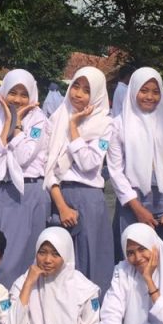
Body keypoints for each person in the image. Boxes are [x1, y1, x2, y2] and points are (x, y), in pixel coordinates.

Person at [106, 67, 163, 267]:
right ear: (133, 90)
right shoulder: (119, 124)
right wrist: (137, 208)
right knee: (132, 260)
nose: (150, 97)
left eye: (155, 91)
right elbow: (115, 170)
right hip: (132, 201)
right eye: (144, 90)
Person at [44, 66, 114, 292]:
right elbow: (47, 166)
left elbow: (89, 163)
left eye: (87, 90)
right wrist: (62, 206)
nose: (78, 94)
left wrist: (74, 127)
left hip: (89, 198)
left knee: (91, 259)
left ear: (97, 94)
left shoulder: (104, 124)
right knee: (61, 262)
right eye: (76, 86)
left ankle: (93, 311)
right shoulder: (57, 118)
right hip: (59, 196)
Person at [0, 70, 51, 287]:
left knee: (32, 255)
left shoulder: (39, 122)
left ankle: (29, 303)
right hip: (5, 193)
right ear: (3, 93)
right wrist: (7, 126)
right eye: (13, 92)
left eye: (24, 94)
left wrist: (18, 125)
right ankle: (2, 303)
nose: (18, 100)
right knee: (3, 255)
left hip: (32, 193)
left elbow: (22, 157)